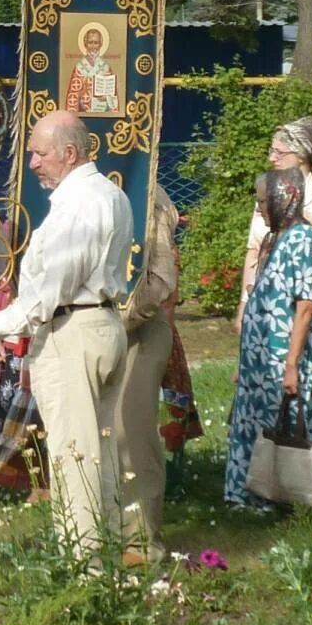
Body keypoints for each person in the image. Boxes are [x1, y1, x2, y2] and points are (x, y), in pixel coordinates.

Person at [0, 111, 133, 558]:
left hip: (75, 331)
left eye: (40, 153)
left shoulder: (81, 203)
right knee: (101, 454)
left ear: (69, 154)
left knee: (75, 457)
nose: (32, 163)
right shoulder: (108, 194)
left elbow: (50, 292)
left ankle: (85, 567)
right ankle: (107, 553)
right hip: (99, 325)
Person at [225, 168, 312, 508]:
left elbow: (305, 307)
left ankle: (282, 498)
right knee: (254, 423)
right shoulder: (277, 238)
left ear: (284, 198)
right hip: (262, 360)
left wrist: (290, 365)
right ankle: (248, 497)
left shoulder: (305, 240)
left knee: (282, 424)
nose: (260, 209)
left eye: (263, 202)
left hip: (284, 357)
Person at [238, 116, 312, 436]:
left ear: (301, 156)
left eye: (279, 152)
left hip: (296, 318)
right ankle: (259, 472)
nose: (272, 157)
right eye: (272, 150)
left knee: (295, 408)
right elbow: (253, 251)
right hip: (263, 311)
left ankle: (297, 477)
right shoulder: (270, 192)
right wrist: (244, 305)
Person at [115, 185, 178, 564]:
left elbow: (160, 276)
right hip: (93, 330)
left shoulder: (148, 188)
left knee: (132, 433)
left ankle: (141, 541)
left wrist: (119, 318)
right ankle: (103, 534)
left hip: (138, 328)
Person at [66, 23, 119, 114]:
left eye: (96, 43)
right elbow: (72, 97)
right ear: (85, 44)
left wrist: (106, 98)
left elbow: (113, 99)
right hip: (82, 116)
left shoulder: (106, 68)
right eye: (90, 42)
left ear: (100, 44)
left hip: (103, 114)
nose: (93, 47)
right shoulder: (79, 68)